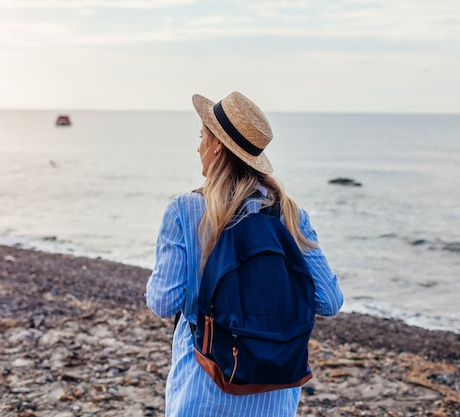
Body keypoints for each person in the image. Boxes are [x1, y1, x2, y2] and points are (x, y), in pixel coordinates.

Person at [145, 91, 344, 417]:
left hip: (203, 386)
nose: (198, 148)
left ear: (217, 146)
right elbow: (329, 302)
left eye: (201, 138)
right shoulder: (291, 214)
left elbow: (163, 302)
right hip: (275, 392)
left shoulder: (186, 210)